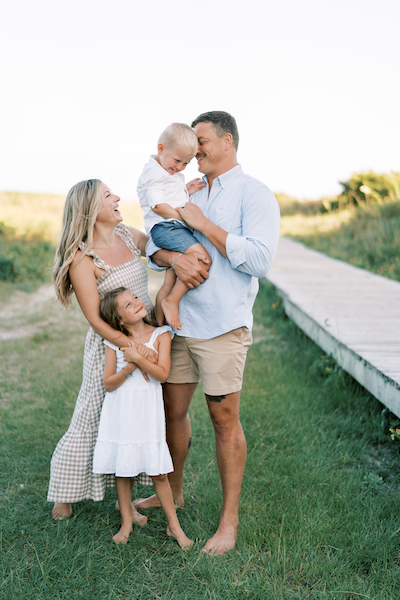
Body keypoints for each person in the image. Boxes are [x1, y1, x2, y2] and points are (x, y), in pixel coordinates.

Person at [125, 111, 281, 555]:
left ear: (227, 141)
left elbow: (259, 260)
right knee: (171, 413)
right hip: (177, 327)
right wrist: (174, 259)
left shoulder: (255, 194)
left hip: (221, 327)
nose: (195, 152)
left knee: (223, 420)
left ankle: (228, 521)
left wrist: (202, 225)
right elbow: (156, 244)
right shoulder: (187, 189)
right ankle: (169, 491)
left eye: (202, 141)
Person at [47, 179, 160, 521]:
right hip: (112, 346)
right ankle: (64, 493)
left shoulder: (128, 235)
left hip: (145, 339)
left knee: (132, 419)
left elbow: (160, 247)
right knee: (92, 415)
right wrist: (132, 349)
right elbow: (96, 319)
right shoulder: (84, 257)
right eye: (108, 196)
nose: (117, 198)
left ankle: (123, 497)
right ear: (90, 210)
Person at [92, 287, 193, 547]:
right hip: (121, 409)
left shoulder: (161, 335)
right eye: (127, 305)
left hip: (148, 411)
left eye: (135, 297)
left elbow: (162, 374)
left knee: (159, 472)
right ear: (119, 321)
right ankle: (126, 522)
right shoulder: (114, 342)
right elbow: (109, 384)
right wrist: (132, 364)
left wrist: (140, 356)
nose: (136, 303)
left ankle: (174, 526)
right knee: (123, 471)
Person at [137, 122, 209, 330]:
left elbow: (168, 195)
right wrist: (185, 217)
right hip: (167, 228)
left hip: (170, 227)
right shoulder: (154, 173)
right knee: (202, 258)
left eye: (186, 164)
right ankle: (172, 302)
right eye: (177, 160)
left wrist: (185, 189)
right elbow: (158, 205)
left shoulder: (168, 173)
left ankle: (158, 328)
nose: (180, 167)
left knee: (168, 283)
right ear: (161, 149)